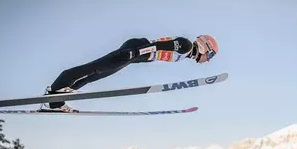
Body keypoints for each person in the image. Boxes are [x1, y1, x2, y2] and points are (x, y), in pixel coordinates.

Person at [42, 35, 219, 112]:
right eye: (210, 55)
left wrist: (136, 56)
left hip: (137, 55)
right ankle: (57, 87)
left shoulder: (186, 53)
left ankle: (56, 100)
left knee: (98, 74)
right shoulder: (186, 45)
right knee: (96, 67)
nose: (208, 59)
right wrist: (135, 52)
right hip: (137, 49)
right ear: (205, 47)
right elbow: (158, 47)